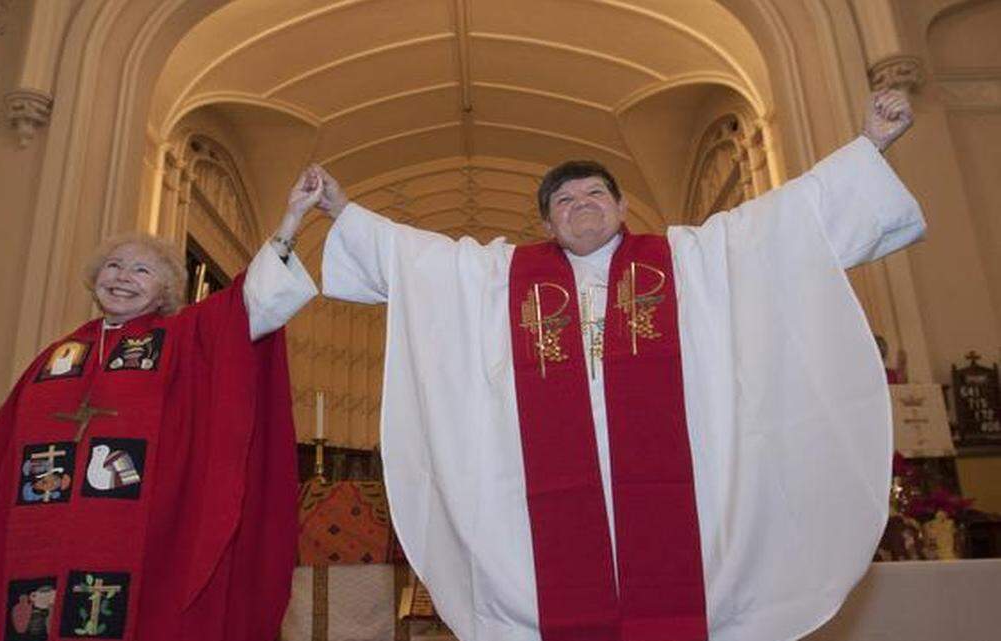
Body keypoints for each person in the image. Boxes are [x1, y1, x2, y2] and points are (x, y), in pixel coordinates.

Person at [310, 89, 923, 641]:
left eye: (596, 193)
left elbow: (784, 223)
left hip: (681, 490)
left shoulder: (692, 259)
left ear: (623, 206)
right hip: (549, 505)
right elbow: (422, 262)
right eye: (565, 200)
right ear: (547, 222)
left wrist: (871, 143)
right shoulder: (501, 278)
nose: (582, 205)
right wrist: (345, 212)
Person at [0, 172, 325, 641]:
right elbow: (3, 445)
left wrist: (292, 219)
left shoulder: (184, 341)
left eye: (142, 270)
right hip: (44, 545)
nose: (123, 277)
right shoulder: (57, 358)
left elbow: (250, 305)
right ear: (94, 278)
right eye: (114, 266)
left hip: (141, 540)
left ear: (167, 291)